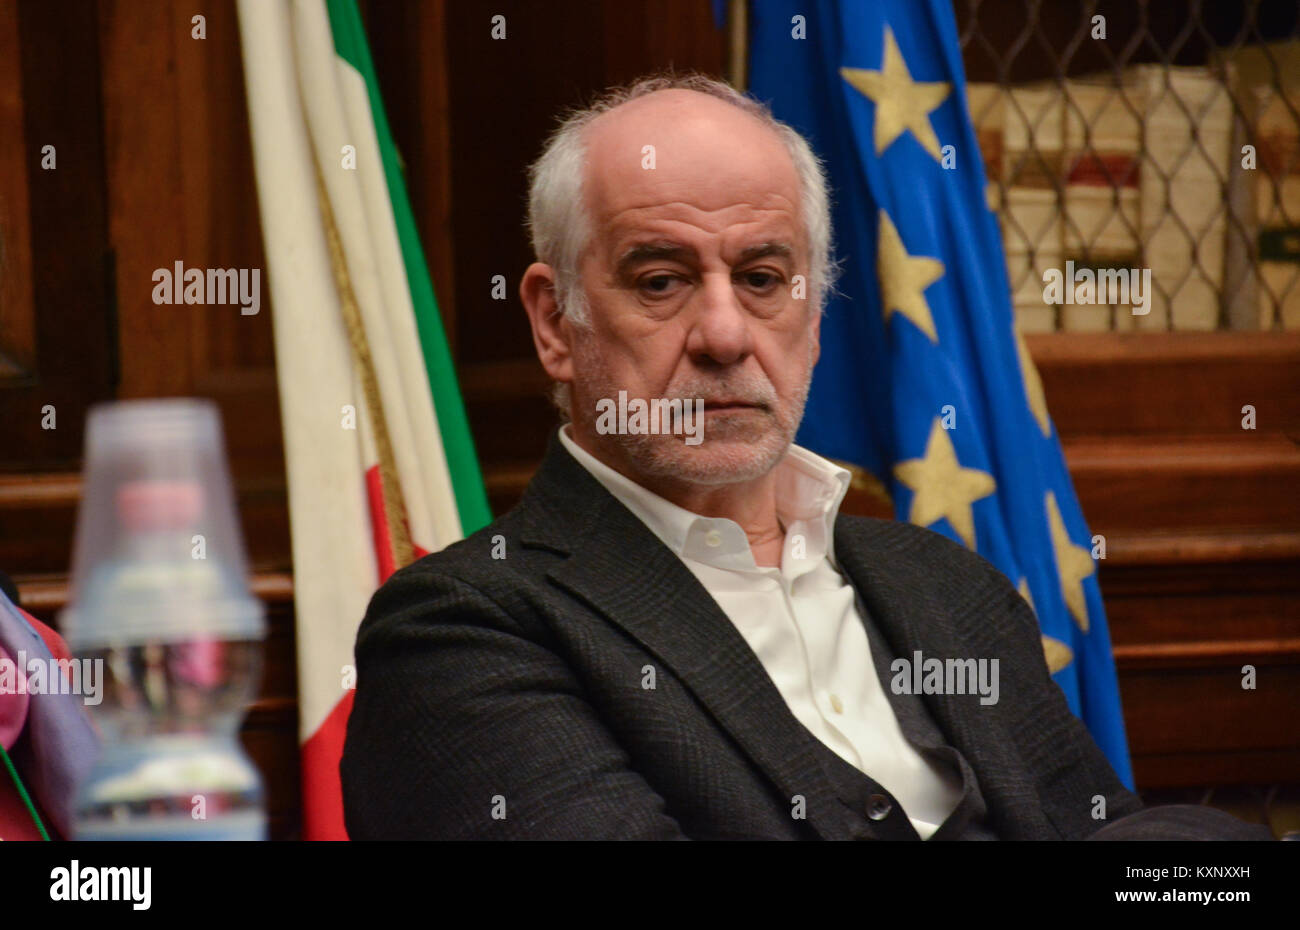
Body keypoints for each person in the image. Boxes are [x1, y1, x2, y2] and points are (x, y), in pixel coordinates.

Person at [340, 73, 1270, 841]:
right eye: (660, 281)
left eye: (762, 279)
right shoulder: (461, 630)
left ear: (815, 317)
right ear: (554, 323)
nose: (723, 334)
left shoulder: (948, 587)